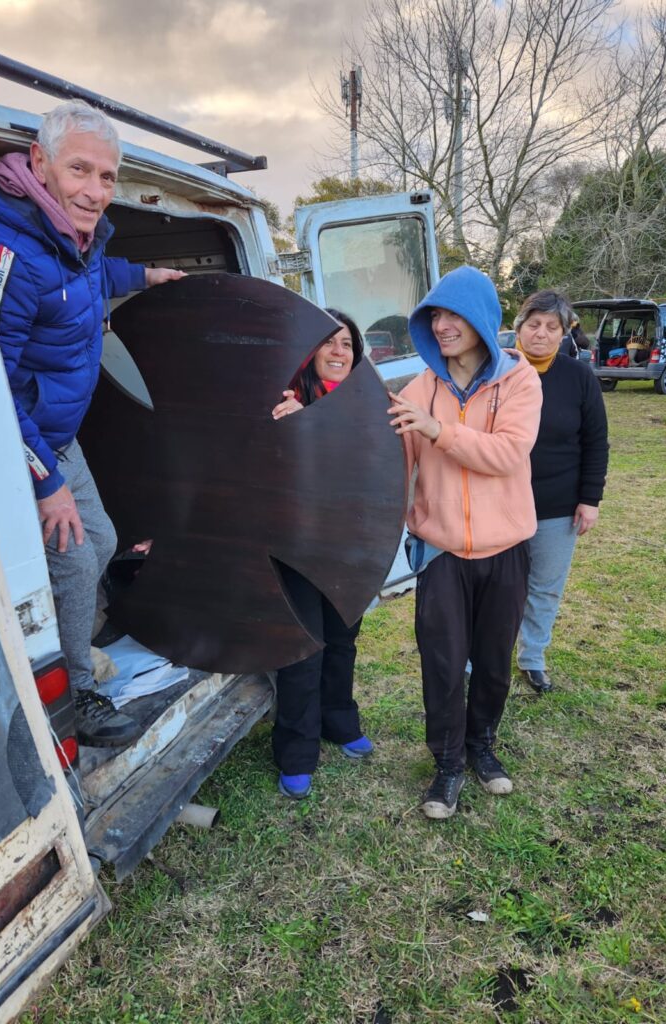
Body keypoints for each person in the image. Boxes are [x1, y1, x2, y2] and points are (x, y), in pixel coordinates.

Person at [0, 100, 184, 747]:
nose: (95, 190)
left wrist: (145, 276)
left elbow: (89, 278)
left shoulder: (69, 237)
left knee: (104, 540)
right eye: (80, 170)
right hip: (22, 444)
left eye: (107, 177)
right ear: (39, 162)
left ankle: (70, 640)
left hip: (58, 436)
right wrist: (44, 482)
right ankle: (76, 695)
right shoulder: (6, 247)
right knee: (77, 561)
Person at [387, 266, 542, 820]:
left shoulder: (521, 382)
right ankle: (448, 764)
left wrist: (437, 430)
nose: (443, 325)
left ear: (481, 319)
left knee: (494, 663)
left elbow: (507, 455)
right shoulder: (417, 389)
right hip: (441, 551)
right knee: (444, 664)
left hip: (506, 549)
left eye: (454, 314)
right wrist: (312, 414)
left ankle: (482, 748)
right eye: (435, 315)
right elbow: (382, 456)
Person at [270, 311, 374, 799]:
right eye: (328, 343)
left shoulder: (369, 407)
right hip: (299, 546)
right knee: (303, 648)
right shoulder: (286, 402)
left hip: (350, 546)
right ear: (310, 352)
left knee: (342, 640)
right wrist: (290, 428)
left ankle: (339, 721)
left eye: (347, 344)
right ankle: (296, 750)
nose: (338, 351)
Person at [513, 290, 609, 693]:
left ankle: (532, 657)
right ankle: (478, 658)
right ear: (519, 327)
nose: (541, 334)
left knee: (544, 587)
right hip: (499, 504)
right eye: (534, 324)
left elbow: (596, 440)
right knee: (495, 588)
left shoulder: (578, 377)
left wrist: (590, 499)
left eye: (551, 327)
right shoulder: (496, 370)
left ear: (563, 332)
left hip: (556, 506)